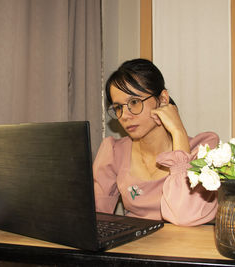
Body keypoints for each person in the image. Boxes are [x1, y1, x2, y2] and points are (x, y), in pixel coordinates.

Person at [93, 58, 219, 226]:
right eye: (118, 107)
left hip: (185, 249)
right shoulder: (114, 152)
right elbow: (95, 218)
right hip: (134, 247)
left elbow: (184, 216)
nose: (124, 115)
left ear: (163, 99)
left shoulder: (203, 149)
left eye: (134, 102)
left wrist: (178, 132)